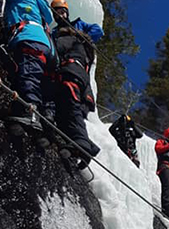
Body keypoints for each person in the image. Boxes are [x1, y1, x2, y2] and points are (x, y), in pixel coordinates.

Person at [50, 0, 103, 167]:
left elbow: (97, 31)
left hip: (76, 70)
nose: (61, 14)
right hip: (71, 72)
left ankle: (82, 145)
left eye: (63, 11)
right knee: (70, 109)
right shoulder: (55, 32)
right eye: (57, 12)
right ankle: (86, 147)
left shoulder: (78, 24)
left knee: (72, 104)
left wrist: (81, 35)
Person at [3, 0, 56, 137]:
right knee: (30, 75)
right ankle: (32, 118)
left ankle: (31, 112)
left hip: (30, 36)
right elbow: (49, 17)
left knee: (28, 74)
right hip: (41, 41)